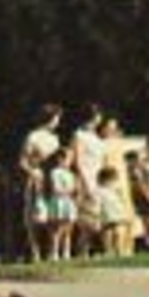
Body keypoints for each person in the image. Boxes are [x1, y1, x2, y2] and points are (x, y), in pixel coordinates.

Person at [20, 105, 64, 261]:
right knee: (34, 216)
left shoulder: (55, 138)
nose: (58, 122)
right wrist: (32, 172)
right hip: (37, 176)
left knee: (55, 213)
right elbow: (23, 161)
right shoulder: (33, 136)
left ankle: (54, 251)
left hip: (53, 178)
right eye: (56, 118)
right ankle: (35, 251)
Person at [100, 116, 139, 257]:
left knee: (127, 214)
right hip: (109, 180)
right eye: (109, 127)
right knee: (111, 218)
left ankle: (127, 248)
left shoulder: (119, 143)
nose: (112, 130)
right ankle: (110, 249)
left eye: (114, 127)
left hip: (122, 180)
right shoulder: (102, 144)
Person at [72, 104, 107, 253]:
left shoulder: (97, 138)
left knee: (98, 217)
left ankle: (94, 249)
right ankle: (82, 250)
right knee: (86, 218)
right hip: (86, 177)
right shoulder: (79, 135)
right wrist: (86, 182)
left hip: (99, 177)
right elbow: (78, 160)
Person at [97, 165, 132, 257]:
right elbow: (98, 201)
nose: (113, 182)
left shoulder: (117, 188)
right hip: (106, 212)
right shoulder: (100, 190)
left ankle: (119, 249)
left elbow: (123, 199)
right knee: (107, 232)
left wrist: (125, 210)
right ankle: (108, 250)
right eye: (111, 179)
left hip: (117, 212)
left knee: (118, 231)